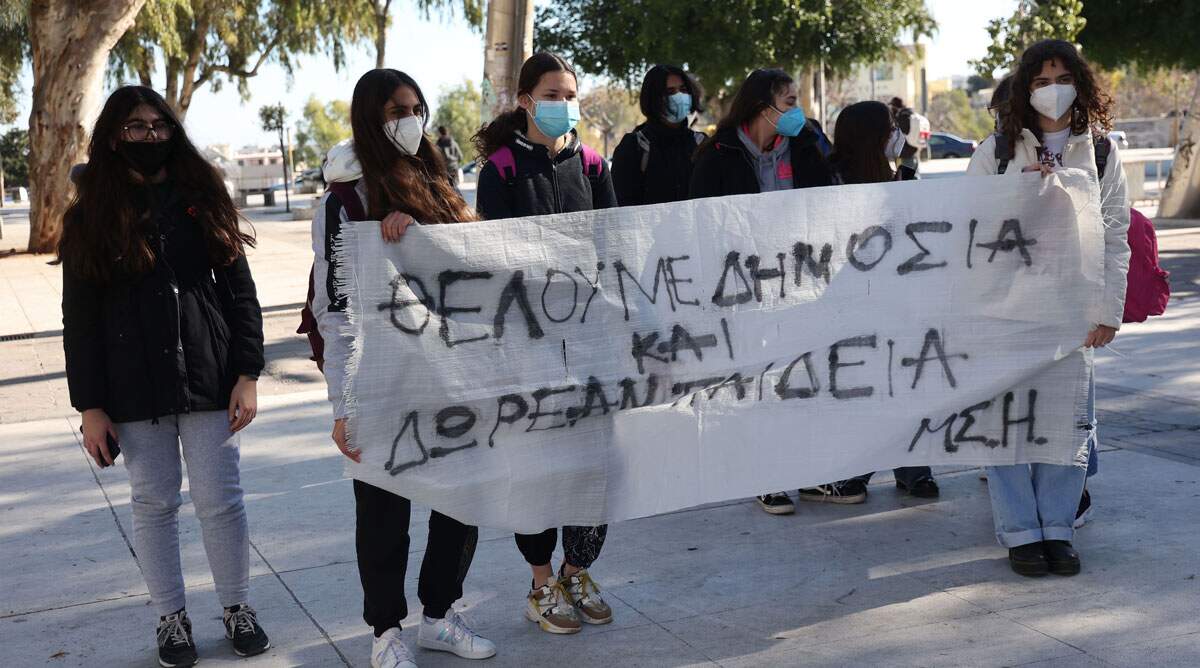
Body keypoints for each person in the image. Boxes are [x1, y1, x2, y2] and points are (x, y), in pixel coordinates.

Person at [59, 85, 269, 667]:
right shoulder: (90, 215)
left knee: (220, 500)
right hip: (132, 389)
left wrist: (247, 371)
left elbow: (240, 291)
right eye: (136, 127)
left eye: (159, 125)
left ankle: (237, 607)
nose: (149, 136)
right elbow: (79, 319)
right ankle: (171, 618)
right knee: (153, 503)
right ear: (112, 137)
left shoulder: (202, 195)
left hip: (210, 375)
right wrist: (90, 406)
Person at [311, 69, 496, 667]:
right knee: (384, 511)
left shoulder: (437, 180)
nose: (411, 121)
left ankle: (439, 615)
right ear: (370, 118)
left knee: (459, 502)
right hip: (382, 381)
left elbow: (474, 263)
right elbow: (334, 311)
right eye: (397, 111)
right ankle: (385, 632)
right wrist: (344, 406)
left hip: (451, 375)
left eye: (417, 109)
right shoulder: (344, 201)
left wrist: (423, 235)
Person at [966, 39, 1129, 577]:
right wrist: (1018, 194)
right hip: (1006, 310)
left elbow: (1116, 234)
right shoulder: (996, 152)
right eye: (1041, 81)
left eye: (1062, 79)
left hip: (1073, 309)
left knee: (1068, 420)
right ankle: (1020, 532)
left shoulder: (1101, 151)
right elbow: (969, 227)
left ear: (1078, 84)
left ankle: (1058, 528)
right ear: (1025, 88)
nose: (1052, 90)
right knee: (1004, 422)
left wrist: (1108, 309)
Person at [473, 51, 617, 635]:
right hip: (528, 349)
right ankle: (540, 584)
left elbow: (614, 244)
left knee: (594, 464)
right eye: (552, 95)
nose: (564, 105)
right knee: (537, 468)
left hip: (589, 344)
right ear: (526, 101)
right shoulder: (502, 169)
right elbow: (493, 258)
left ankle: (576, 572)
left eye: (570, 95)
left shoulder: (593, 164)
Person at [689, 68, 834, 515]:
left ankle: (809, 472)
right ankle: (766, 476)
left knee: (802, 378)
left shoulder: (806, 143)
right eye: (789, 102)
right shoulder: (718, 153)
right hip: (742, 291)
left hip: (800, 285)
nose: (797, 111)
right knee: (758, 382)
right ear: (761, 107)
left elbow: (830, 201)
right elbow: (701, 222)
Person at [790, 101, 940, 506]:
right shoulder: (831, 181)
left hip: (897, 302)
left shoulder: (900, 177)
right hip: (848, 306)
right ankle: (852, 472)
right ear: (871, 135)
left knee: (905, 382)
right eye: (890, 127)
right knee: (863, 389)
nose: (897, 133)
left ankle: (913, 469)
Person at [611, 64, 706, 206]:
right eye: (670, 92)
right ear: (653, 98)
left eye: (683, 90)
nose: (679, 96)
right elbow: (622, 205)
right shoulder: (634, 147)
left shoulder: (702, 144)